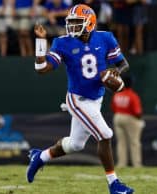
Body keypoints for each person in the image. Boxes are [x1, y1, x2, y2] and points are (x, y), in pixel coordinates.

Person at [26, 4, 134, 194]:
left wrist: (115, 72)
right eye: (71, 23)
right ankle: (114, 184)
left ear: (90, 23)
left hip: (96, 99)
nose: (72, 27)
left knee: (75, 144)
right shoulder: (63, 42)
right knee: (105, 134)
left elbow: (123, 64)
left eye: (77, 23)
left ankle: (40, 156)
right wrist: (41, 43)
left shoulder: (105, 38)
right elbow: (41, 69)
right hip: (77, 99)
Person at [111, 75, 144, 167]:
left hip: (117, 117)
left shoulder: (117, 94)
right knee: (134, 142)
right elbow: (137, 112)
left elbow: (113, 108)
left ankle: (121, 163)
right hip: (130, 118)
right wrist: (139, 119)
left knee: (121, 142)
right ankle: (136, 164)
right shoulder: (132, 95)